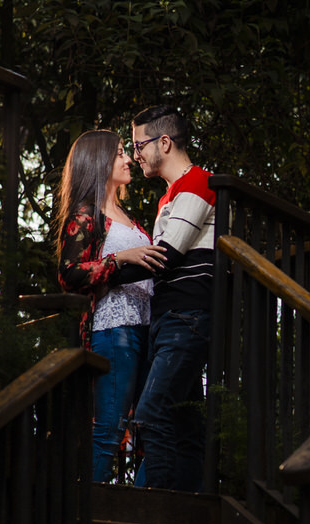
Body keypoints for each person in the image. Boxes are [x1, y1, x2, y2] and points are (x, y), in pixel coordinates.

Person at [54, 129, 166, 482]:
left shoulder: (125, 214)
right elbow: (69, 273)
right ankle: (86, 516)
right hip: (113, 329)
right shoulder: (86, 214)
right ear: (99, 161)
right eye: (119, 153)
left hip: (145, 327)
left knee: (153, 427)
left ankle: (140, 507)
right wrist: (118, 259)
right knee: (109, 429)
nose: (128, 158)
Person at [129, 105, 216, 492]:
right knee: (183, 421)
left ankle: (159, 510)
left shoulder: (199, 182)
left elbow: (167, 255)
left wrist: (107, 268)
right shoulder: (169, 197)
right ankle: (189, 509)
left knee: (152, 413)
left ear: (164, 142)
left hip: (187, 316)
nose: (136, 155)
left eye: (139, 145)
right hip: (169, 318)